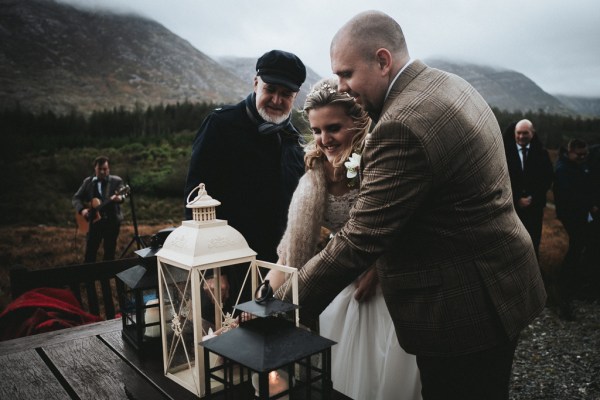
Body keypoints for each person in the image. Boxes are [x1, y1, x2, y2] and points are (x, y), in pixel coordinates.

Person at [276, 11, 546, 400]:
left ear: (383, 61)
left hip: (462, 308)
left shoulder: (401, 126)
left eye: (347, 73)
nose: (341, 86)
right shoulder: (449, 83)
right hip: (502, 282)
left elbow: (358, 241)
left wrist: (280, 310)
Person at [268, 77, 421, 400]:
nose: (324, 139)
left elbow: (410, 219)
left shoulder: (381, 160)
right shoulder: (315, 176)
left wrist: (377, 269)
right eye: (318, 130)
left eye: (333, 128)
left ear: (360, 122)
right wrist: (264, 300)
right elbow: (293, 249)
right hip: (343, 276)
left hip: (396, 274)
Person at [183, 49, 307, 322]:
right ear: (255, 83)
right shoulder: (221, 125)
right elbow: (196, 199)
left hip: (278, 270)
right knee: (227, 350)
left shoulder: (293, 139)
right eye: (270, 89)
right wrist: (213, 270)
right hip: (230, 270)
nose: (276, 100)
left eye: (285, 94)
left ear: (294, 97)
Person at [553, 139, 600, 320]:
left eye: (585, 154)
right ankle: (565, 293)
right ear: (570, 151)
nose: (582, 158)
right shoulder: (563, 169)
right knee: (575, 251)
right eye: (579, 155)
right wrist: (590, 205)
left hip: (583, 215)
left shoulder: (579, 165)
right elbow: (569, 197)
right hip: (572, 216)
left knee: (584, 248)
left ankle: (579, 288)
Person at [502, 119, 553, 257]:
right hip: (512, 208)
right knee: (512, 242)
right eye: (518, 133)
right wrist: (517, 198)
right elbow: (502, 179)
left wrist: (532, 198)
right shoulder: (505, 154)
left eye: (525, 133)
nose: (521, 136)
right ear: (514, 133)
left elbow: (547, 179)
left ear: (532, 133)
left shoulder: (542, 153)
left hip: (534, 207)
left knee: (533, 241)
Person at [72, 155, 125, 263]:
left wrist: (119, 198)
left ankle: (106, 278)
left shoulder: (116, 181)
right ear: (95, 169)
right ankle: (89, 278)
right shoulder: (88, 182)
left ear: (108, 169)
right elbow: (76, 198)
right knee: (90, 253)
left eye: (104, 169)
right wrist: (82, 210)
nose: (102, 172)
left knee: (109, 253)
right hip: (94, 223)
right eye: (99, 169)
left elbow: (122, 196)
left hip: (111, 222)